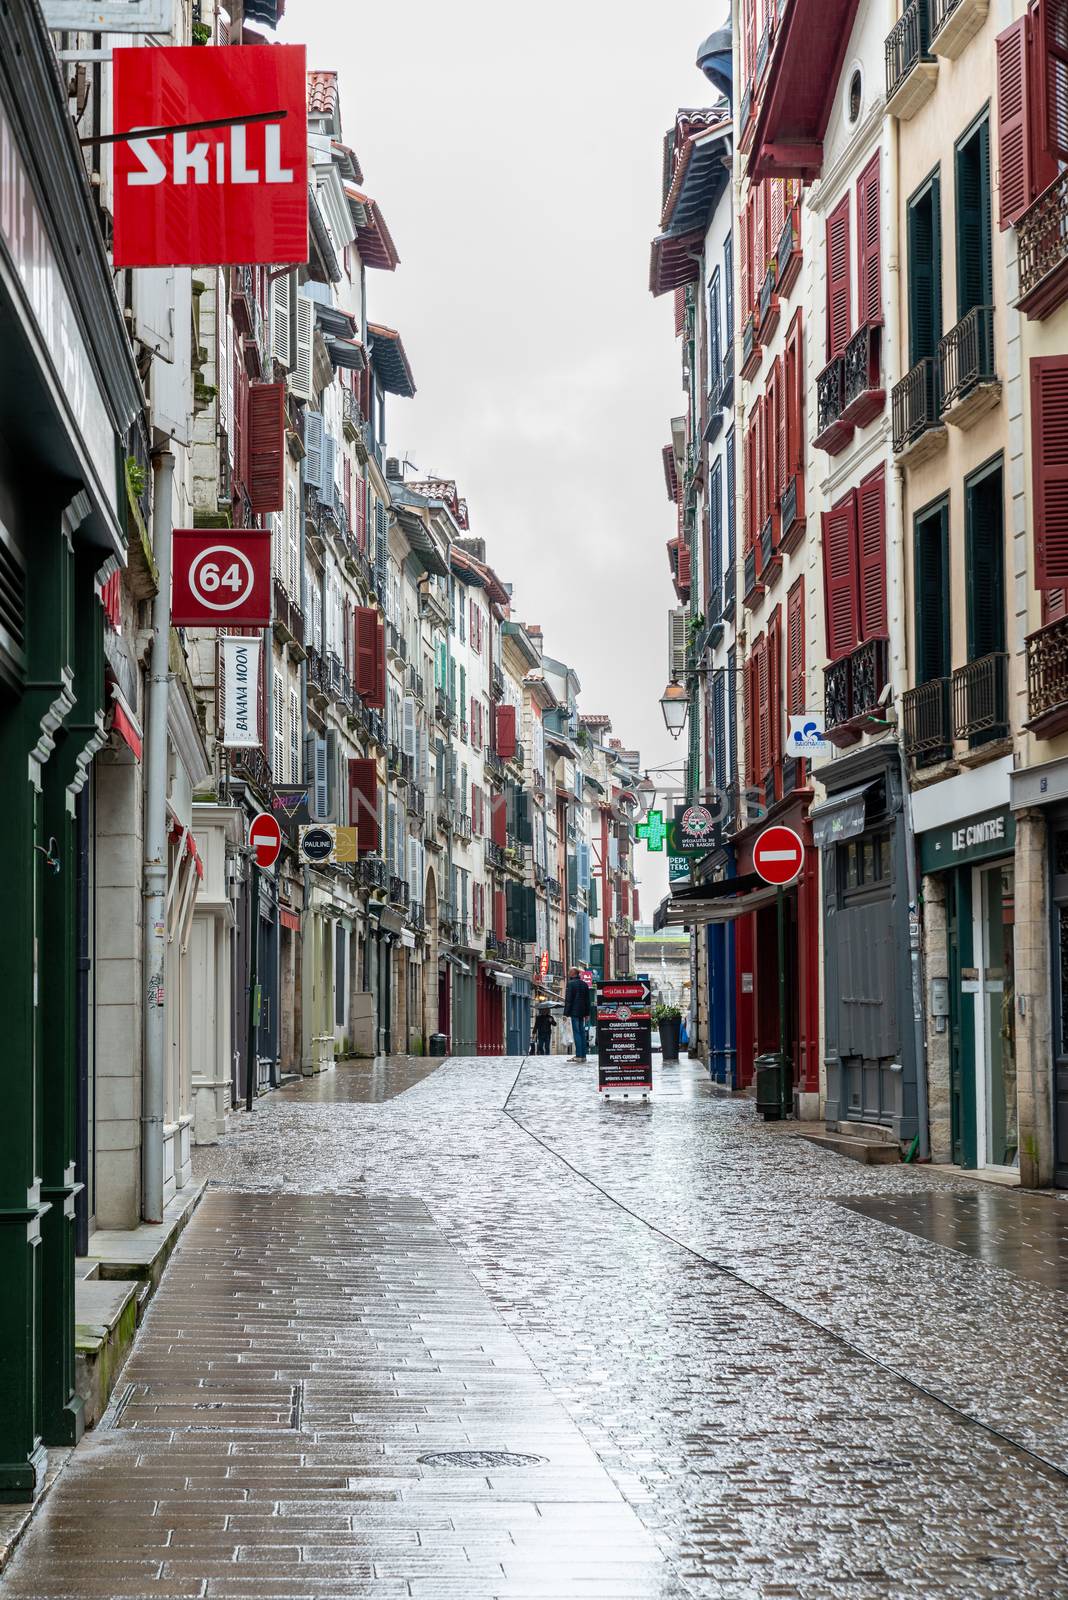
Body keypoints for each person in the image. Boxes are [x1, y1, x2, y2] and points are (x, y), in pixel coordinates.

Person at [563, 966, 591, 1062]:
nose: (568, 973)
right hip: (582, 1012)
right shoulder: (584, 984)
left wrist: (566, 1013)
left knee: (577, 1033)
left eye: (569, 971)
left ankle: (578, 1055)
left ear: (573, 973)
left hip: (574, 1012)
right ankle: (583, 1056)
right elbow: (588, 1000)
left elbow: (569, 1000)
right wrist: (587, 1013)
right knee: (582, 1033)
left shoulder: (571, 984)